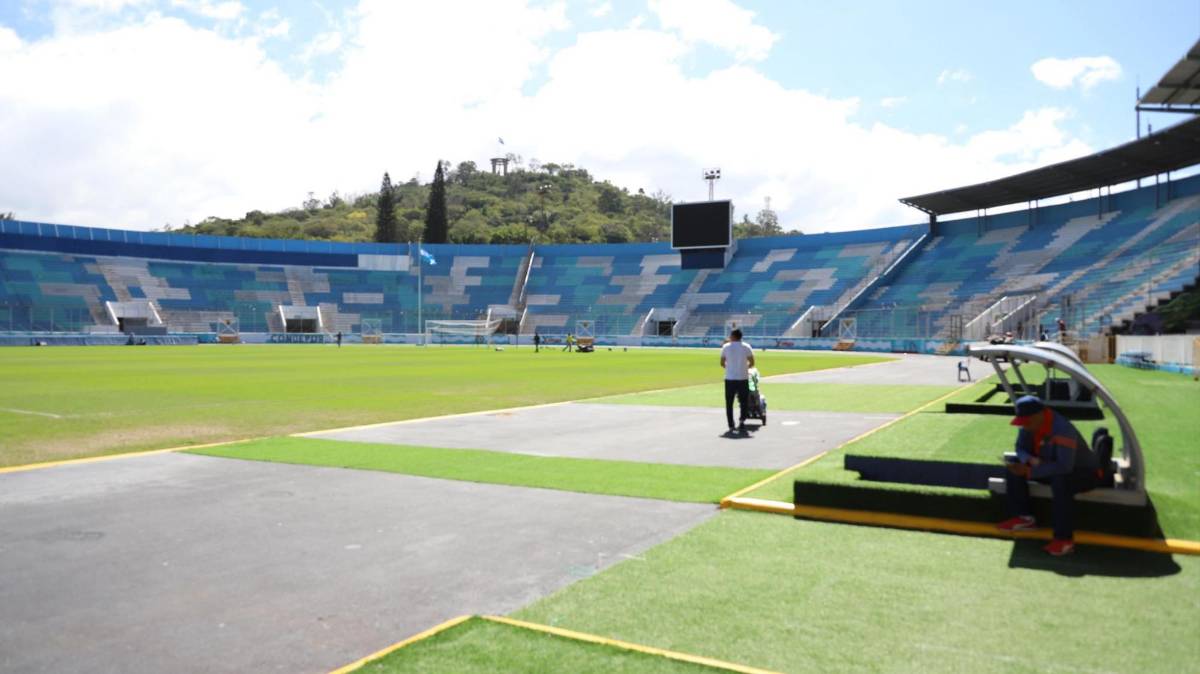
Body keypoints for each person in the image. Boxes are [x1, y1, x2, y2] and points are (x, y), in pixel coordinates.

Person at [996, 395, 1100, 556]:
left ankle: (1064, 540)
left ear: (1039, 415)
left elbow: (1064, 466)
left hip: (1084, 473)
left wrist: (1030, 471)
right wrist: (1028, 460)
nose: (1024, 427)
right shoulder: (1029, 424)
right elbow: (1020, 447)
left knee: (1061, 482)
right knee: (1014, 465)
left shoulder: (1063, 429)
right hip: (1049, 466)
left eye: (1027, 422)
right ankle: (1024, 518)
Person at [719, 328, 755, 434]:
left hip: (730, 378)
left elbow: (722, 363)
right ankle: (742, 421)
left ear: (734, 336)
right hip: (742, 378)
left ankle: (731, 425)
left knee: (729, 403)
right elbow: (752, 362)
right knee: (744, 402)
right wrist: (744, 368)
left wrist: (729, 368)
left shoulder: (726, 347)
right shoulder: (746, 347)